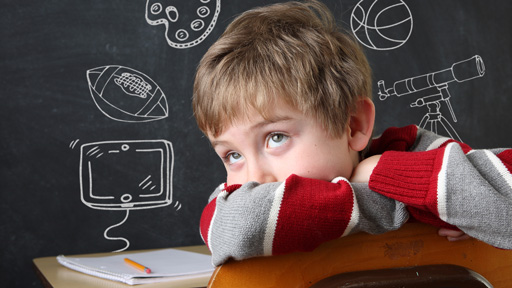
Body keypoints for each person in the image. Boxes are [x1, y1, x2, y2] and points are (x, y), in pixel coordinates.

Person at [192, 0, 512, 266]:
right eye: (232, 155)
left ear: (353, 126)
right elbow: (230, 226)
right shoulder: (235, 201)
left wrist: (387, 173)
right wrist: (399, 201)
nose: (253, 179)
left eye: (276, 137)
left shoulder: (412, 153)